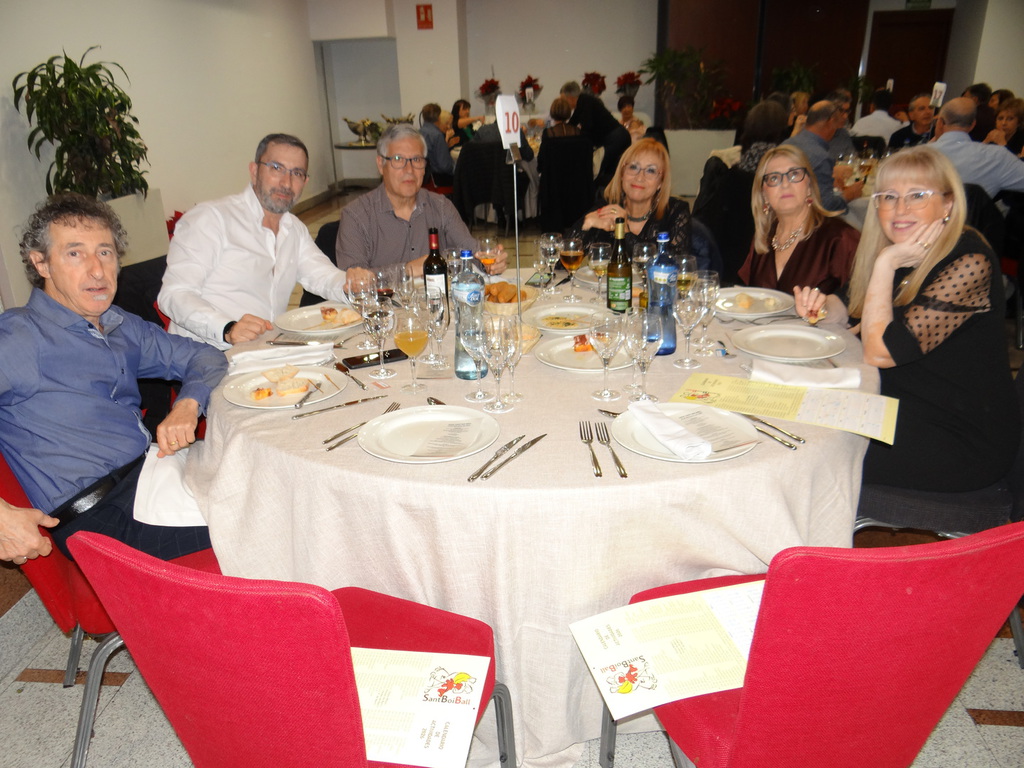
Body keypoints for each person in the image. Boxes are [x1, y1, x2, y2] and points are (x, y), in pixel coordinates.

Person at [0, 194, 227, 564]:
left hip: (154, 473)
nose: (97, 270)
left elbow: (207, 356)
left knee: (272, 477)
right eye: (75, 253)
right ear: (41, 263)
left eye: (104, 252)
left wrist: (188, 404)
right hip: (103, 519)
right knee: (260, 516)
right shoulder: (19, 338)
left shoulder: (119, 325)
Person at [845, 146, 1018, 493]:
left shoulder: (969, 261)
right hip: (900, 407)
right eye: (889, 196)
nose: (900, 209)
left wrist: (885, 264)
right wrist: (820, 304)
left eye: (917, 195)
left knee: (822, 449)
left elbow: (879, 351)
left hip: (959, 436)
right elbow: (854, 308)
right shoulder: (911, 250)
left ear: (948, 204)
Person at [159, 133, 348, 351]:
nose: (286, 183)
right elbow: (174, 294)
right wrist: (227, 328)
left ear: (305, 181)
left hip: (262, 352)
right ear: (254, 170)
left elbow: (323, 276)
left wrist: (358, 287)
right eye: (276, 168)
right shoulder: (211, 219)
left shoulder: (293, 228)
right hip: (205, 354)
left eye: (296, 173)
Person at [335, 123, 506, 280]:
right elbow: (353, 281)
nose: (409, 169)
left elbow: (472, 252)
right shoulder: (356, 216)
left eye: (416, 160)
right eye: (398, 159)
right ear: (381, 164)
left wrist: (490, 262)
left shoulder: (441, 207)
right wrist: (407, 270)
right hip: (382, 304)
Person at [739, 145, 860, 301]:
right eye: (774, 178)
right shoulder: (763, 239)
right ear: (764, 194)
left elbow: (859, 302)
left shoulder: (841, 238)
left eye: (794, 174)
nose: (785, 184)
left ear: (809, 186)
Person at [568, 138, 692, 256]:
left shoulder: (676, 211)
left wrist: (624, 232)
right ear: (622, 174)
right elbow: (561, 262)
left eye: (651, 171)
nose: (639, 177)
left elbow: (677, 265)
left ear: (661, 182)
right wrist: (586, 225)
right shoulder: (606, 207)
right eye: (633, 167)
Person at [932, 97, 1024, 199]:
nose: (1004, 123)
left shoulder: (1018, 142)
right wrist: (985, 142)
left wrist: (1003, 145)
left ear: (1019, 122)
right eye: (1000, 118)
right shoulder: (991, 137)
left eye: (1010, 119)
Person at [783, 100, 863, 213]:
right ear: (831, 122)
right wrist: (848, 195)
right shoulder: (821, 156)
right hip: (803, 216)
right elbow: (825, 205)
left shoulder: (787, 144)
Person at [560, 81, 632, 187]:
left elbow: (587, 128)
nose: (563, 103)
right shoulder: (582, 102)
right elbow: (572, 123)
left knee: (596, 169)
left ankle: (600, 193)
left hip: (617, 139)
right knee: (607, 171)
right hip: (617, 138)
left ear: (570, 98)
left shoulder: (586, 102)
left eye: (564, 100)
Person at [419, 102, 455, 186]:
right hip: (439, 179)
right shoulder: (437, 136)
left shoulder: (418, 133)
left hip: (426, 178)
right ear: (439, 117)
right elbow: (445, 166)